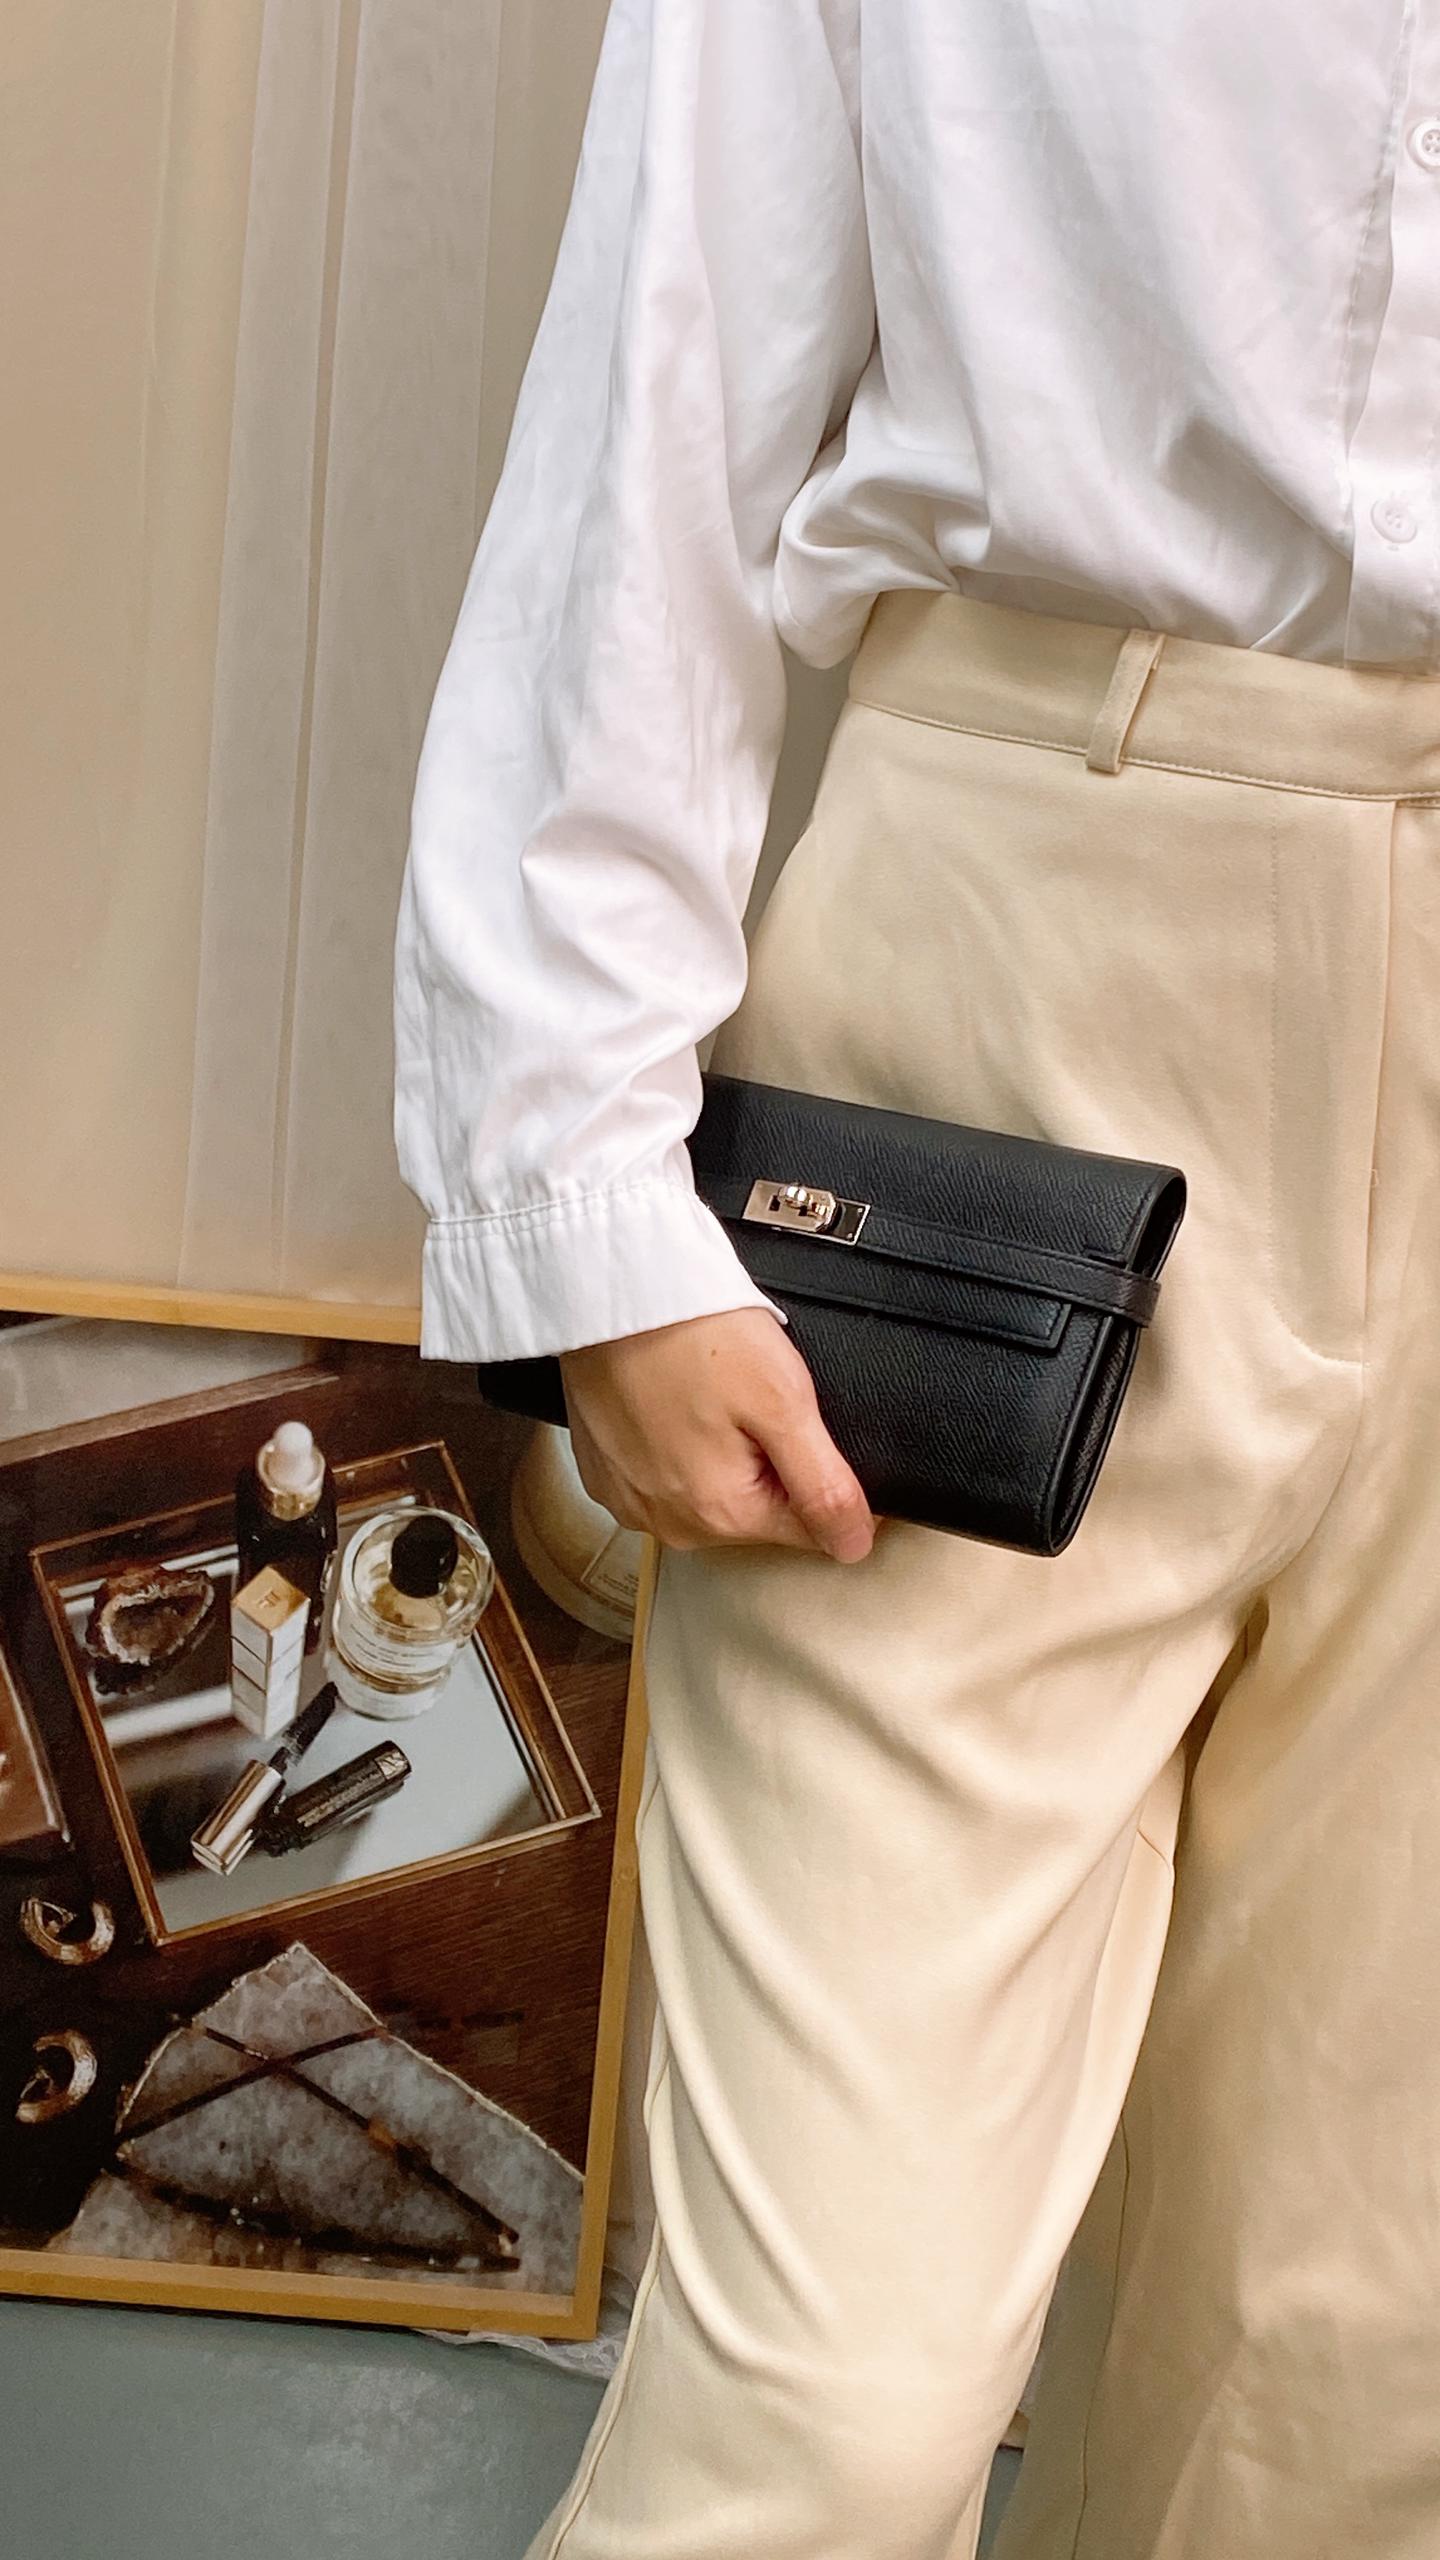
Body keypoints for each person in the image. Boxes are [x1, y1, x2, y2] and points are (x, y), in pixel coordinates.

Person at [393, 6, 1440, 2554]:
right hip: (1014, 987)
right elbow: (668, 370)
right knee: (823, 2412)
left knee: (1337, 2376)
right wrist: (578, 1179)